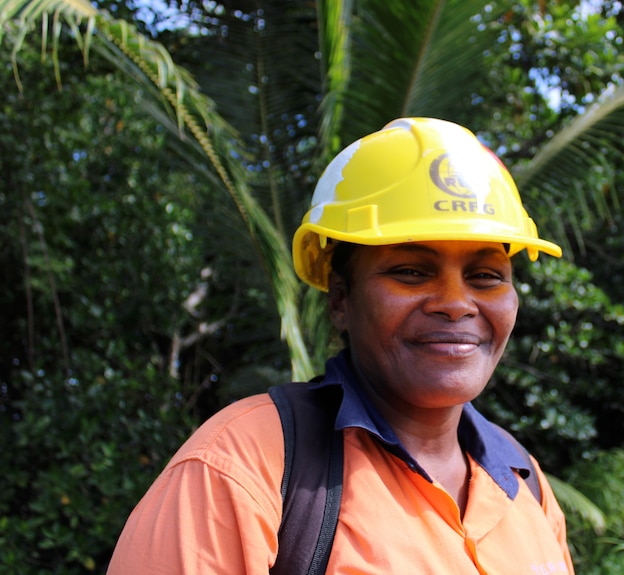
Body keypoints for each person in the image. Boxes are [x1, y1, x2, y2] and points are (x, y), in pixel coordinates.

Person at [107, 117, 575, 574]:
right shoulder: (243, 465)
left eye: (486, 276)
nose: (455, 304)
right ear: (340, 300)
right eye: (410, 270)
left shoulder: (522, 479)